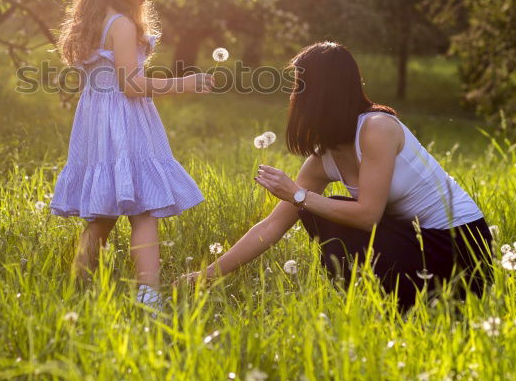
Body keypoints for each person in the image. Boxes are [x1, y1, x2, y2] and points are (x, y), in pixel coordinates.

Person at [185, 42, 493, 311]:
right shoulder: (324, 158)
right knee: (319, 212)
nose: (294, 96)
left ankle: (402, 306)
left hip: (461, 245)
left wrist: (299, 195)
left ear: (321, 92)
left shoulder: (376, 128)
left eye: (299, 86)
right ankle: (381, 305)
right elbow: (272, 226)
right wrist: (207, 275)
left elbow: (368, 216)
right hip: (416, 243)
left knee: (319, 206)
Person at [51, 0, 215, 310]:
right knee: (143, 208)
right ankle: (149, 295)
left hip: (97, 121)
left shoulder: (96, 21)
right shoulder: (122, 25)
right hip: (123, 120)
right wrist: (184, 85)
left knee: (104, 213)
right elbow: (132, 85)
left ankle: (79, 285)